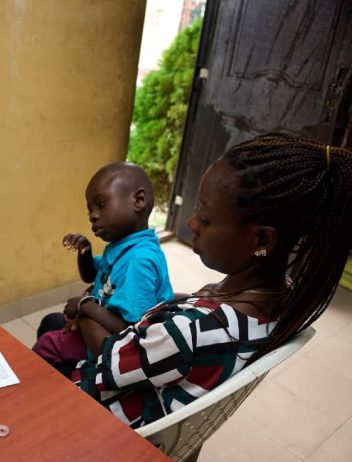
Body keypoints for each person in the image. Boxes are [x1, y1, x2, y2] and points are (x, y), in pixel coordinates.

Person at [78, 134, 352, 429]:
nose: (191, 223)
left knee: (53, 332)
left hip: (107, 422)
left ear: (260, 239)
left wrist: (84, 309)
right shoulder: (282, 295)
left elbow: (104, 366)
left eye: (205, 218)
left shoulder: (189, 331)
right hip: (157, 382)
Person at [32, 162, 174, 376]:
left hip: (113, 350)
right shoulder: (123, 247)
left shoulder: (139, 260)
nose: (92, 216)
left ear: (138, 200)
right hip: (97, 327)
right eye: (90, 209)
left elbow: (130, 329)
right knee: (50, 321)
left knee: (46, 344)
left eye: (101, 204)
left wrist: (84, 306)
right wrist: (85, 250)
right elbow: (91, 274)